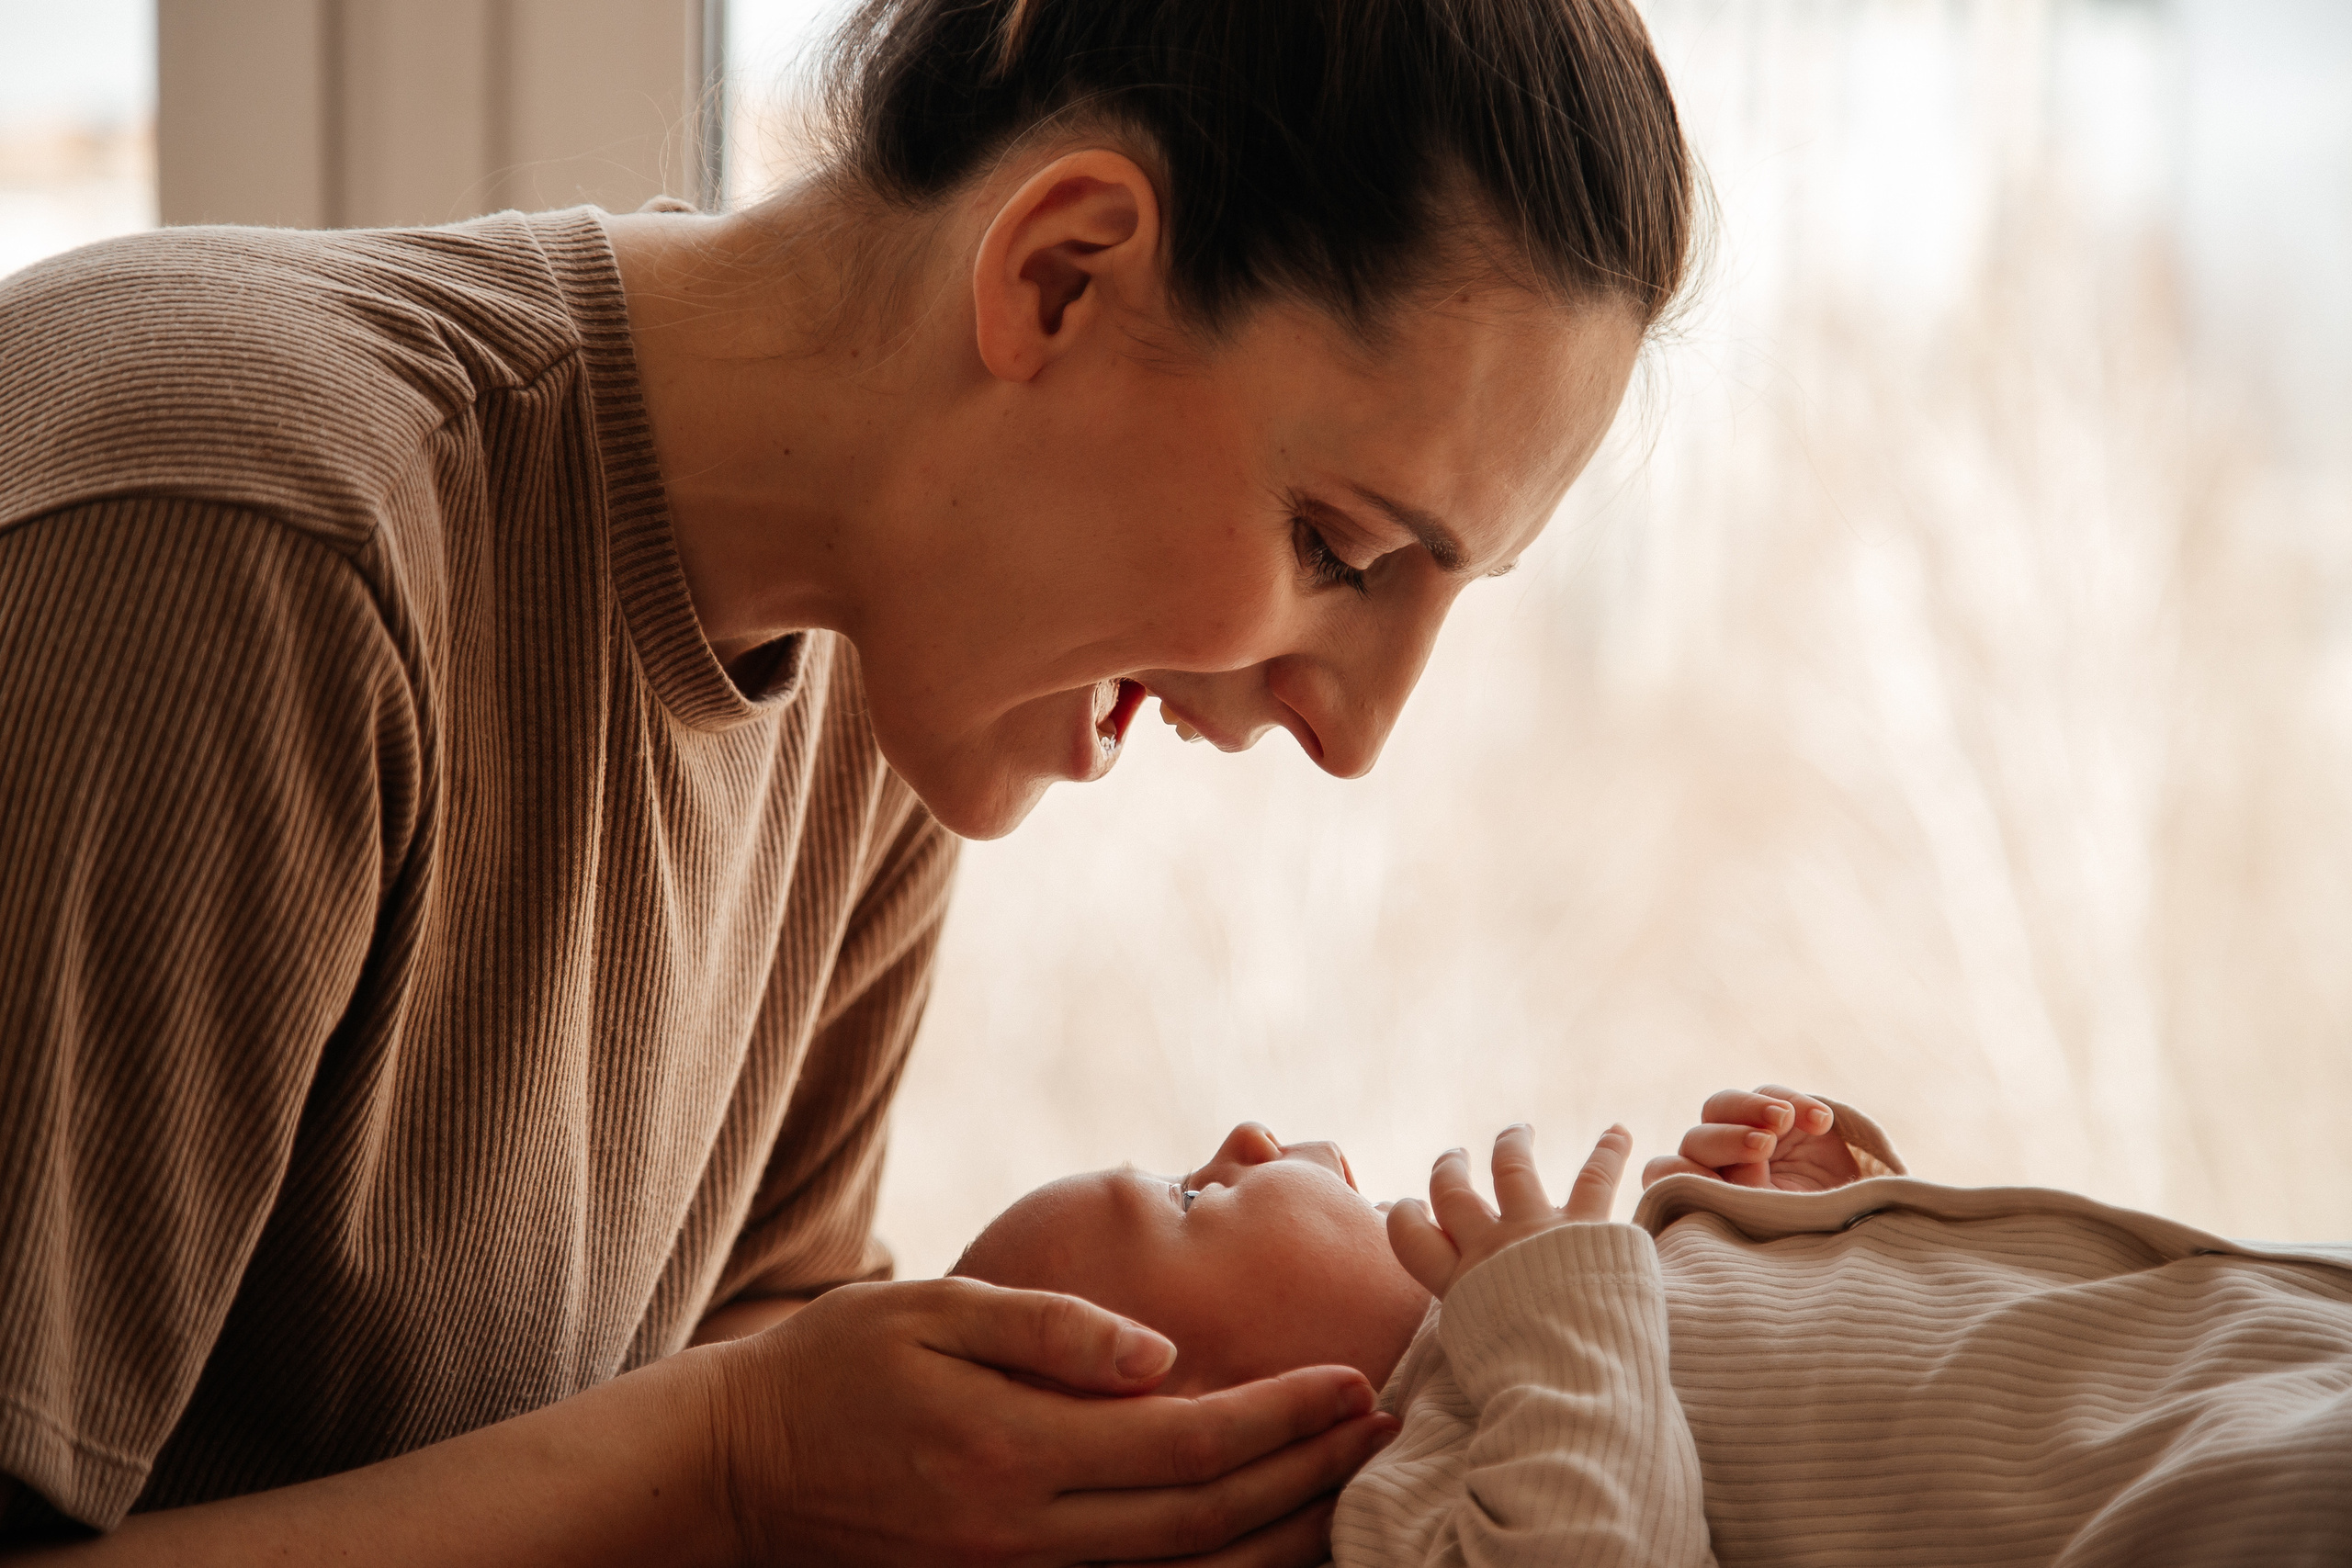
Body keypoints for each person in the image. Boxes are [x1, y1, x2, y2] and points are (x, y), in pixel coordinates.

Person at [0, 0, 1695, 1562]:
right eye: (1336, 543)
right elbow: (723, 1444)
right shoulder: (246, 540)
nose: (1359, 733)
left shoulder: (883, 678)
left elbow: (763, 1363)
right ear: (1058, 272)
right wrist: (735, 1462)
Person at [957, 1092, 2352, 1566]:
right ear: (1198, 1447)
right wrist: (1561, 1309)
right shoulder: (1421, 1509)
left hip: (2252, 1348)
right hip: (2233, 1492)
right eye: (1191, 1194)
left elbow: (1923, 1385)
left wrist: (1830, 1216)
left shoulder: (1523, 1362)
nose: (1256, 1137)